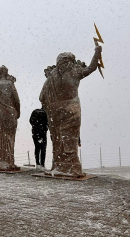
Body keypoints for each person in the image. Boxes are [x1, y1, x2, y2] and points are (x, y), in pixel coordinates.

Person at [39, 46, 101, 177]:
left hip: (56, 113)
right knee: (70, 138)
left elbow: (42, 97)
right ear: (70, 61)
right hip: (71, 109)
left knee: (58, 139)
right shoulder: (75, 71)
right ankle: (71, 167)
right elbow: (91, 68)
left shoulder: (51, 78)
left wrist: (52, 107)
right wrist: (97, 52)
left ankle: (59, 165)